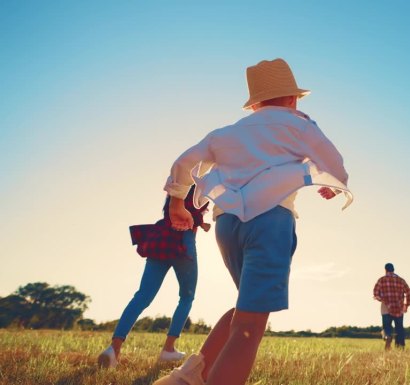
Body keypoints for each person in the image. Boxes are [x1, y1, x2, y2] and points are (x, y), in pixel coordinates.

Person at [153, 58, 351, 385]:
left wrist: (177, 201)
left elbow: (184, 161)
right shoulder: (300, 125)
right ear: (293, 99)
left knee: (245, 308)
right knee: (250, 326)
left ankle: (189, 377)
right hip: (270, 222)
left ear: (255, 105)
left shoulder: (227, 133)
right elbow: (334, 162)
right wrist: (333, 183)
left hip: (226, 225)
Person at [98, 185, 210, 369]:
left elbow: (177, 210)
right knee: (186, 297)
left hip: (162, 237)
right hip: (183, 241)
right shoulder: (200, 185)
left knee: (142, 296)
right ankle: (168, 349)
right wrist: (200, 222)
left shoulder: (178, 182)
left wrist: (200, 222)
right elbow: (191, 214)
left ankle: (114, 349)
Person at [373, 262, 410, 350]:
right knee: (399, 329)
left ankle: (387, 337)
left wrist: (382, 299)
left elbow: (375, 293)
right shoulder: (401, 280)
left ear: (385, 270)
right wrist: (406, 305)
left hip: (386, 308)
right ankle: (400, 348)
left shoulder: (381, 280)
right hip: (399, 308)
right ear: (393, 270)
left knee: (386, 327)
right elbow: (409, 292)